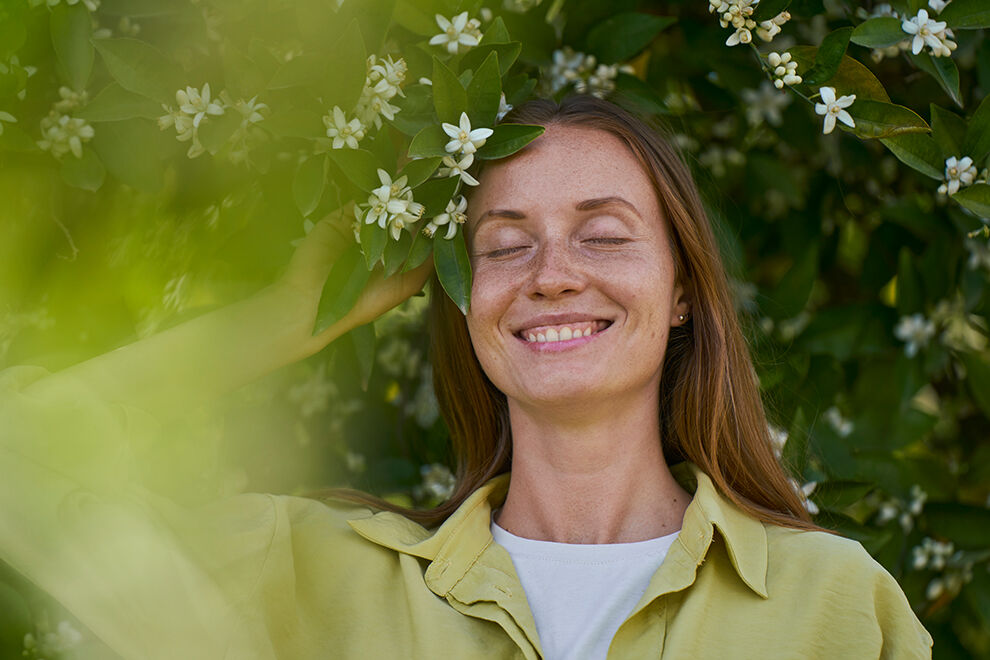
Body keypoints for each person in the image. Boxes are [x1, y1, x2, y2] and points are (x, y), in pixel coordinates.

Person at [0, 96, 932, 659]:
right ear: (460, 297)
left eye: (604, 235)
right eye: (503, 244)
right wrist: (297, 313)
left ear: (683, 289)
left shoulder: (832, 604)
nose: (553, 273)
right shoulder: (316, 581)